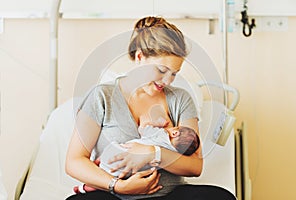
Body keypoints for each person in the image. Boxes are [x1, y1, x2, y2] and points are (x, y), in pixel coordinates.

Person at [65, 16, 235, 200]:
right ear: (140, 56)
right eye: (161, 71)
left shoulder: (180, 99)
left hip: (169, 195)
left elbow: (195, 166)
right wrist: (119, 186)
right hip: (115, 196)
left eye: (174, 74)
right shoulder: (101, 97)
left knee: (221, 197)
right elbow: (74, 161)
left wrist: (154, 154)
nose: (167, 81)